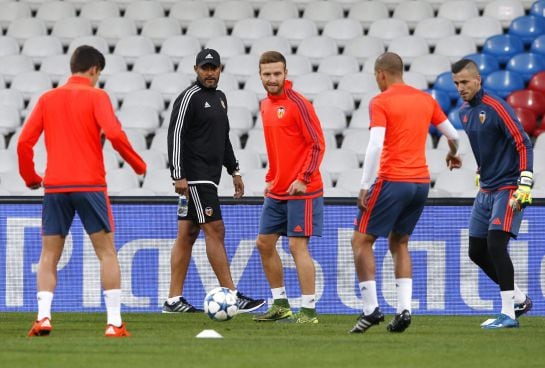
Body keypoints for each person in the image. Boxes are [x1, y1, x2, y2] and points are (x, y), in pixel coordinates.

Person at [18, 45, 147, 337]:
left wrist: (31, 177)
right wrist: (137, 165)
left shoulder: (47, 99)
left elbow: (23, 142)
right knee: (107, 254)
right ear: (94, 70)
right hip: (90, 185)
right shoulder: (97, 95)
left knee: (49, 254)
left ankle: (43, 317)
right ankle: (114, 323)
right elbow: (114, 134)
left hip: (55, 186)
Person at [349, 52, 461, 334]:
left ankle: (371, 309)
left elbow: (375, 145)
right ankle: (404, 310)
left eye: (376, 77)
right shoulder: (425, 99)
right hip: (420, 183)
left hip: (393, 180)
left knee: (361, 240)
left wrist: (365, 184)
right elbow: (454, 135)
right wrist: (452, 154)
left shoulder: (381, 101)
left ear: (381, 74)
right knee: (399, 243)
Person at [164, 48, 265, 314]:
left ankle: (173, 300)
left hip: (210, 177)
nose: (209, 73)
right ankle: (232, 295)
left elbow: (223, 137)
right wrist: (178, 174)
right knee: (216, 229)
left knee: (187, 235)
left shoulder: (220, 98)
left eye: (214, 68)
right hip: (195, 177)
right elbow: (175, 135)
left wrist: (234, 170)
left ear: (221, 69)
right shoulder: (189, 98)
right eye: (205, 68)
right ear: (196, 69)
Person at [451, 59, 534, 329]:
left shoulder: (497, 107)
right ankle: (519, 298)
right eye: (456, 84)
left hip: (508, 187)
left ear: (478, 80)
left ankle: (508, 314)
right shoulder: (464, 113)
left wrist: (525, 182)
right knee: (476, 250)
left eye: (464, 82)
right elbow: (486, 146)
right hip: (486, 188)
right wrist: (479, 168)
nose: (460, 88)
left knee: (496, 244)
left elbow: (522, 142)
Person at [252, 51, 325, 324]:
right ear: (260, 75)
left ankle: (308, 312)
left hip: (302, 190)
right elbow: (275, 146)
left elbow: (317, 144)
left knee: (297, 247)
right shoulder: (265, 105)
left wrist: (303, 178)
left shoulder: (299, 104)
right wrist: (271, 177)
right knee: (263, 243)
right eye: (267, 74)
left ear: (285, 73)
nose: (272, 79)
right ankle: (280, 304)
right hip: (278, 189)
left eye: (277, 74)